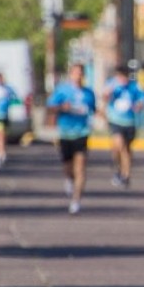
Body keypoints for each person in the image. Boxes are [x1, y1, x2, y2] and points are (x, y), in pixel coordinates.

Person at [47, 63, 97, 215]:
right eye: (75, 73)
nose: (78, 76)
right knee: (68, 167)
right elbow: (50, 107)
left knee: (80, 168)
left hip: (82, 133)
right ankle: (69, 179)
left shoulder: (89, 93)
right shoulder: (62, 90)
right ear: (70, 75)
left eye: (80, 73)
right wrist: (62, 107)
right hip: (65, 133)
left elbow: (93, 110)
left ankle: (76, 200)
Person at [103, 66, 144, 188]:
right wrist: (108, 94)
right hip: (115, 121)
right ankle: (118, 167)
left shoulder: (134, 87)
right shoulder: (112, 85)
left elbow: (142, 100)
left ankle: (126, 175)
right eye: (121, 76)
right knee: (118, 145)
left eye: (125, 76)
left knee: (126, 149)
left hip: (130, 122)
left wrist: (138, 106)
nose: (123, 78)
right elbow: (105, 97)